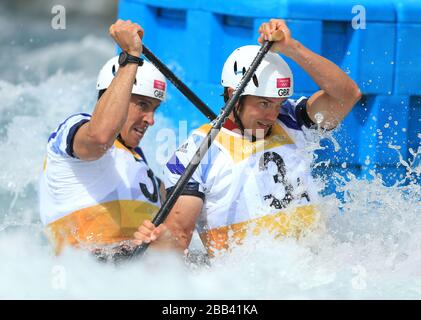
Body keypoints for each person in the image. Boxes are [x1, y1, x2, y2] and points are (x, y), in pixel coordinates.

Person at [134, 19, 362, 256]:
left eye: (278, 103)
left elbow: (347, 94)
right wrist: (159, 241)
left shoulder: (293, 119)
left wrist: (291, 47)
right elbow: (179, 237)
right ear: (235, 95)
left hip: (315, 265)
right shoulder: (194, 155)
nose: (272, 115)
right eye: (263, 103)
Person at [39, 20, 170, 257]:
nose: (151, 120)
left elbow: (181, 229)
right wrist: (131, 57)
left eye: (154, 109)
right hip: (78, 279)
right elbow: (100, 137)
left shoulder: (145, 172)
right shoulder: (74, 130)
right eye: (142, 105)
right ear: (112, 93)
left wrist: (159, 241)